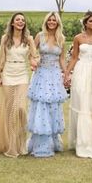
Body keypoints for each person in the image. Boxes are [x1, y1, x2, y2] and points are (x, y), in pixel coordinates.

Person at [65, 11, 92, 158]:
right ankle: (83, 142)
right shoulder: (78, 38)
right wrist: (67, 73)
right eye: (91, 21)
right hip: (81, 71)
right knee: (83, 104)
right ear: (85, 23)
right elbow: (75, 57)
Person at [0, 12, 38, 158]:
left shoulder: (29, 39)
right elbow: (1, 57)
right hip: (8, 74)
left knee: (20, 108)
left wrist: (35, 62)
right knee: (10, 111)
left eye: (22, 20)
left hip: (22, 75)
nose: (20, 22)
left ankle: (21, 145)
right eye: (17, 20)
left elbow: (34, 56)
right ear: (13, 23)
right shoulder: (5, 39)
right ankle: (11, 146)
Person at [27, 12, 67, 157]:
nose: (51, 22)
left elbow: (62, 59)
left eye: (54, 20)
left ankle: (53, 141)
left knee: (53, 107)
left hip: (55, 75)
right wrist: (33, 61)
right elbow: (32, 52)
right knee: (41, 106)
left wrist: (66, 73)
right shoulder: (40, 36)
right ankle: (40, 144)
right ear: (46, 22)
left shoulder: (61, 38)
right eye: (49, 20)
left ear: (58, 23)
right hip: (41, 74)